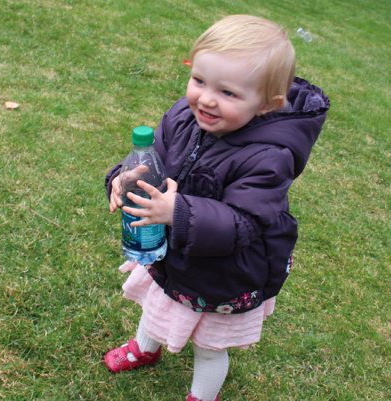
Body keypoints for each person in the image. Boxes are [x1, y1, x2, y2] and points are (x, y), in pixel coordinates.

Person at [104, 14, 329, 401]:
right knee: (157, 302)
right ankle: (146, 347)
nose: (206, 98)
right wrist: (123, 177)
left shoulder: (271, 156)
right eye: (199, 80)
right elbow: (154, 157)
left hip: (225, 271)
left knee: (208, 345)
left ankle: (202, 395)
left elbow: (242, 223)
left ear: (267, 104)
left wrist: (176, 212)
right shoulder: (184, 116)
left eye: (228, 92)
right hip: (175, 251)